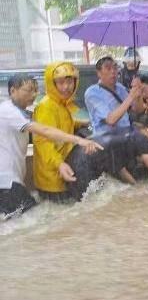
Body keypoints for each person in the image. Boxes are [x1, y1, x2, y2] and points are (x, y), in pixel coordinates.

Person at [0, 73, 101, 219]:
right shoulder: (9, 111)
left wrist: (82, 123)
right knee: (36, 221)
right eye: (28, 90)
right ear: (12, 91)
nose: (34, 94)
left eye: (35, 90)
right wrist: (79, 140)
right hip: (6, 182)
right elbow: (45, 131)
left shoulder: (23, 112)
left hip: (11, 180)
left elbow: (59, 123)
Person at [33, 62, 103, 203]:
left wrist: (81, 123)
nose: (66, 87)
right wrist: (59, 164)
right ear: (52, 83)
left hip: (65, 171)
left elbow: (61, 126)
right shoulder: (47, 106)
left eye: (70, 82)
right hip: (52, 179)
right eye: (60, 82)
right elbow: (42, 142)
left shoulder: (62, 103)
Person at [65, 115, 148, 201]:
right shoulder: (141, 138)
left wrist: (135, 187)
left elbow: (120, 170)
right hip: (83, 167)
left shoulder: (121, 133)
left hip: (70, 165)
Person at [84, 55, 143, 135]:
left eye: (115, 68)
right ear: (99, 73)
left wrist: (138, 95)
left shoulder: (120, 88)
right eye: (108, 68)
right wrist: (131, 96)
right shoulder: (92, 93)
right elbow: (111, 120)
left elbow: (138, 110)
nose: (113, 71)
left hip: (126, 135)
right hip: (107, 139)